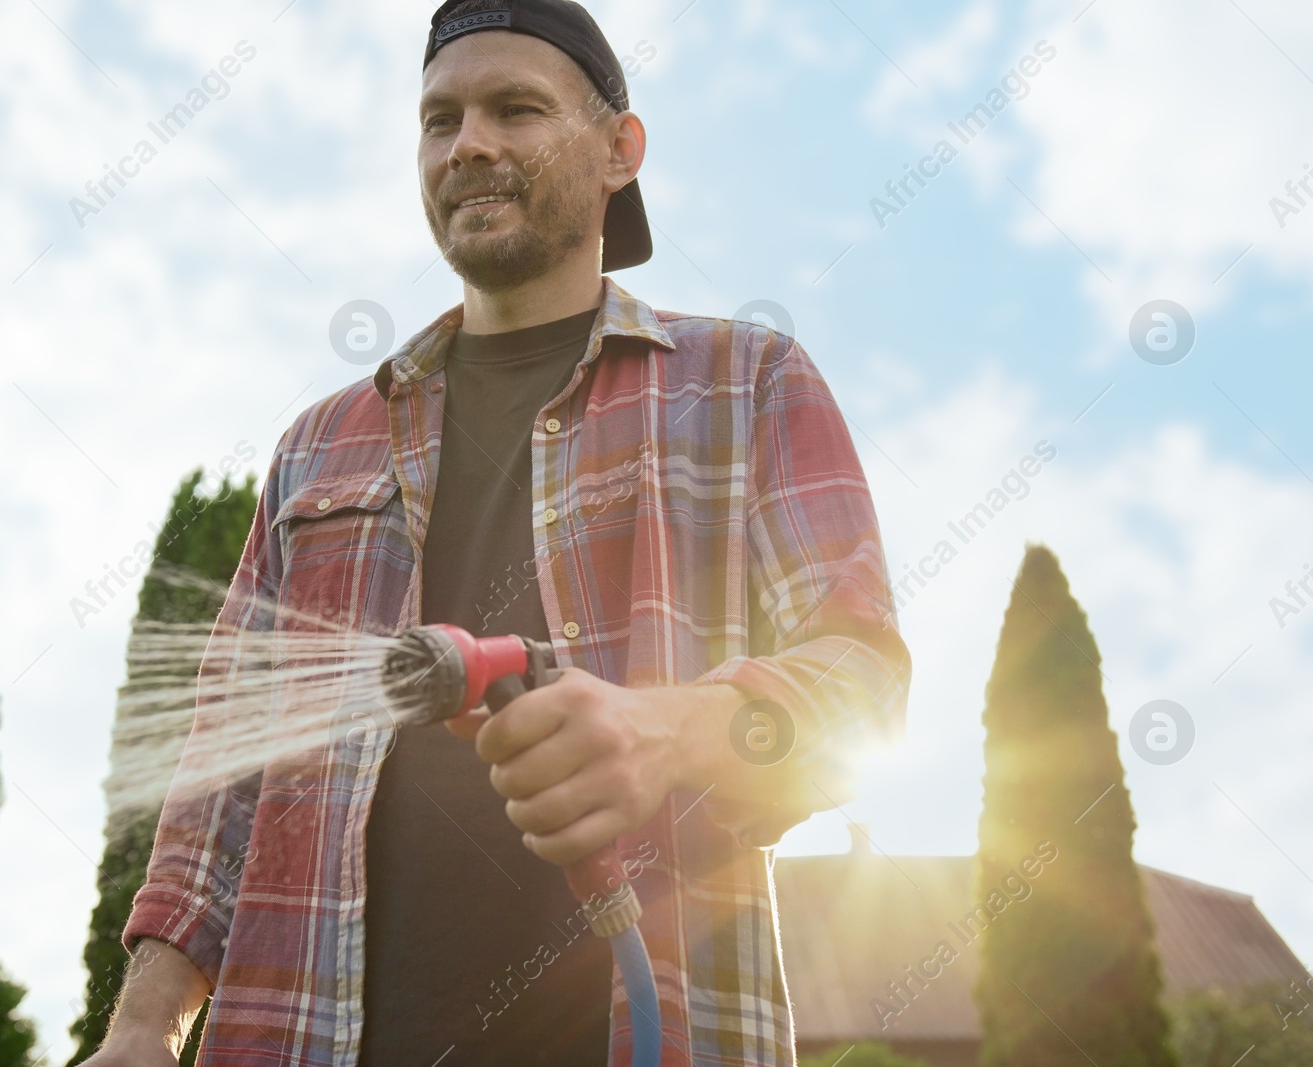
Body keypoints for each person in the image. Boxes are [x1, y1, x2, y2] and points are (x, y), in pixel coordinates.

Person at [85, 2, 910, 1064]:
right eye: (439, 121)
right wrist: (143, 1024)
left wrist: (670, 731)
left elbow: (863, 682)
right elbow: (224, 768)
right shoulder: (318, 446)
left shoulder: (744, 384)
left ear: (621, 150)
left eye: (515, 109)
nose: (467, 142)